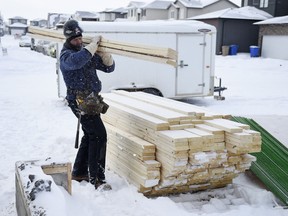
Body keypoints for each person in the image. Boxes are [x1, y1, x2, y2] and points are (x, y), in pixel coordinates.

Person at [59, 19, 115, 190]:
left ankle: (79, 171)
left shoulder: (85, 53)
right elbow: (77, 61)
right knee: (99, 135)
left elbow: (108, 69)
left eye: (79, 38)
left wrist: (107, 58)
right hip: (79, 101)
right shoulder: (66, 55)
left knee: (90, 135)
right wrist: (91, 48)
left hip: (92, 99)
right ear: (68, 40)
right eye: (74, 39)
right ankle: (96, 178)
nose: (78, 41)